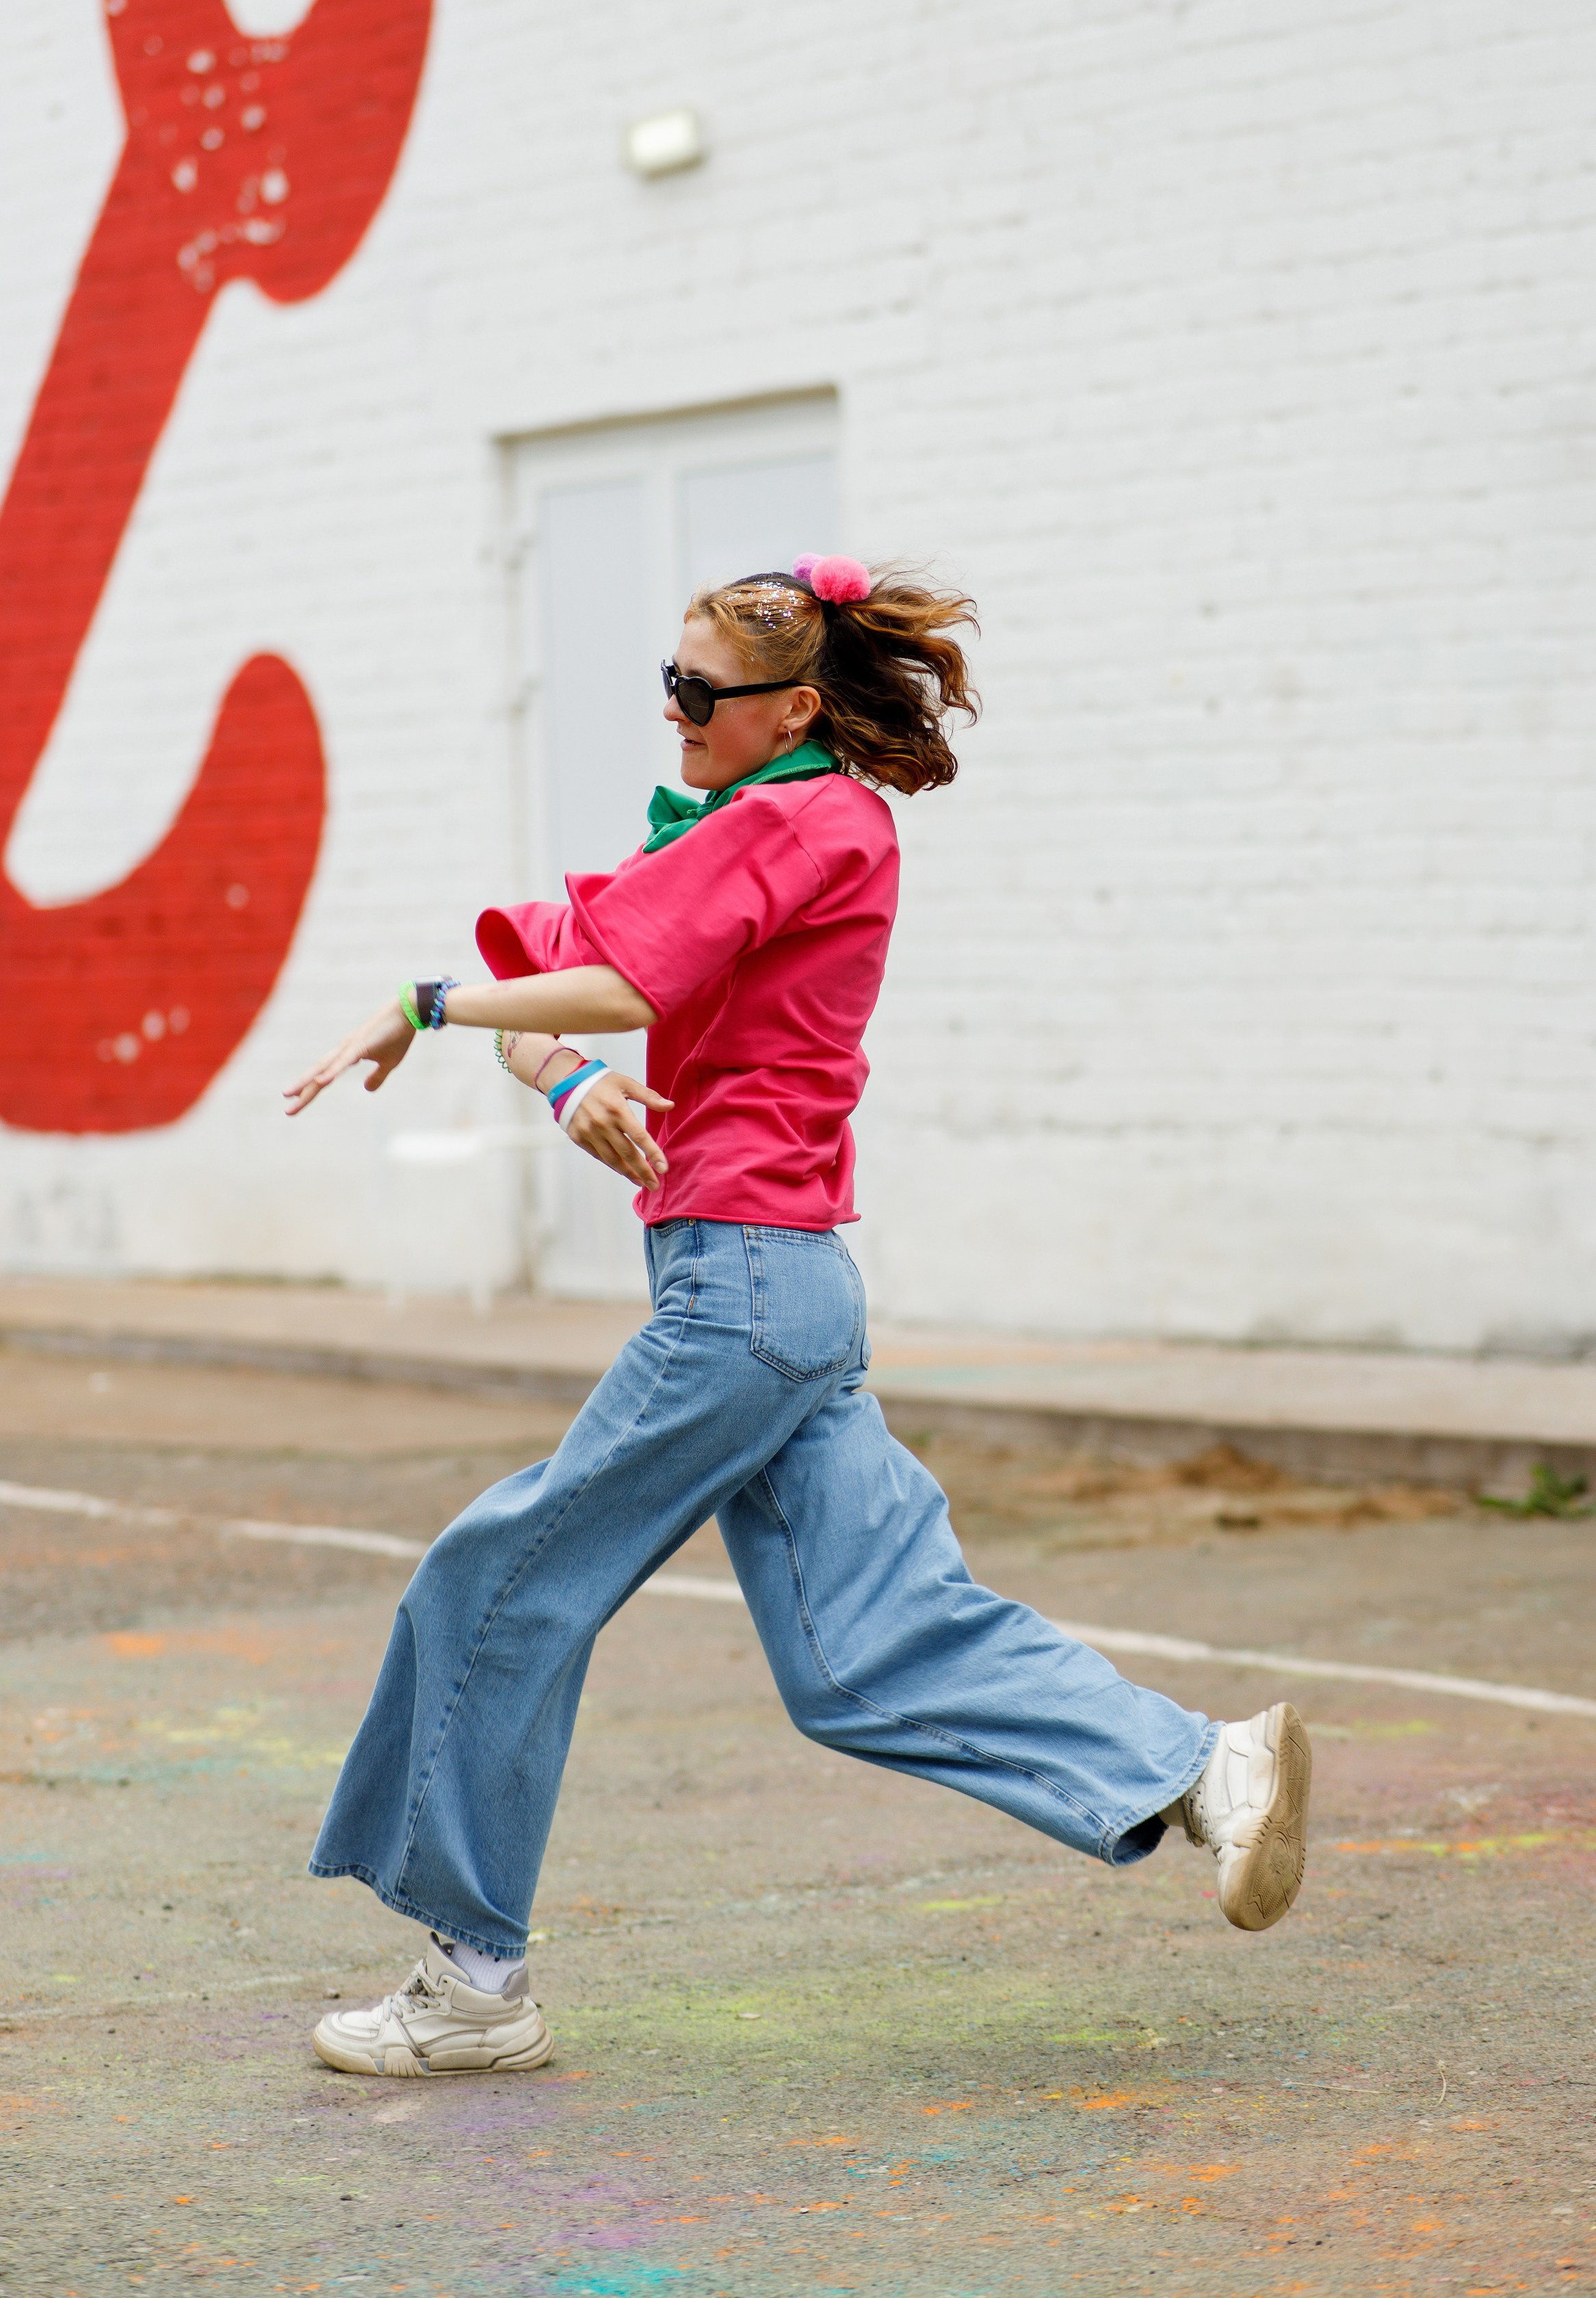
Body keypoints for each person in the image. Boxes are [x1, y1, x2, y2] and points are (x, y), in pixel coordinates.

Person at [284, 553, 1311, 2079]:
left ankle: (476, 1982)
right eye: (669, 683)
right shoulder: (718, 828)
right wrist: (564, 1079)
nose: (678, 711)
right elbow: (555, 983)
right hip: (780, 1291)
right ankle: (1200, 1766)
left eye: (705, 693)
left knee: (494, 1581)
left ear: (796, 709)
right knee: (858, 1656)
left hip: (745, 1289)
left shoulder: (812, 820)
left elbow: (609, 978)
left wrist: (433, 1004)